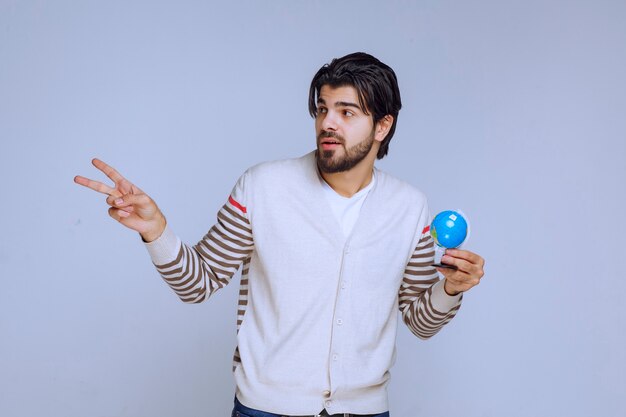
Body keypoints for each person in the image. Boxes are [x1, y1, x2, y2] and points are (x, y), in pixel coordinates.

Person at [75, 52, 485, 417]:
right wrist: (155, 230)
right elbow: (197, 284)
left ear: (382, 125)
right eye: (322, 109)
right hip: (266, 410)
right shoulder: (262, 187)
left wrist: (451, 289)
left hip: (366, 411)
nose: (328, 123)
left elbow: (420, 320)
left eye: (347, 112)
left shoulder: (409, 208)